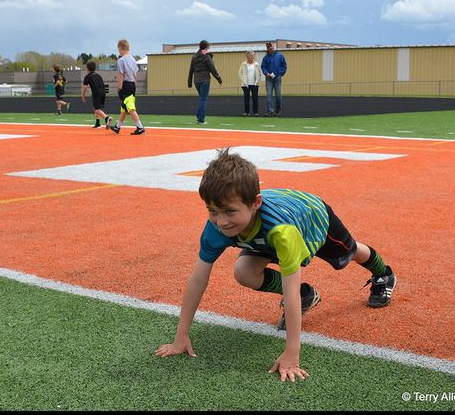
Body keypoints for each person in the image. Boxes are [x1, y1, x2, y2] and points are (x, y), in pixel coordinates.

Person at [155, 148, 397, 382]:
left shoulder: (283, 231)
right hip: (266, 231)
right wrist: (181, 335)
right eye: (212, 211)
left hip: (312, 218)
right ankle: (307, 294)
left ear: (255, 203)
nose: (221, 221)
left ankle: (383, 274)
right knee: (244, 272)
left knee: (351, 252)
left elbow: (287, 287)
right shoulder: (217, 228)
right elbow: (198, 279)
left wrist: (292, 355)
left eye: (229, 211)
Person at [109, 39, 146, 135]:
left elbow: (121, 75)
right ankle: (117, 127)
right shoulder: (133, 59)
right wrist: (134, 83)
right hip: (132, 84)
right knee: (124, 108)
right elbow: (135, 73)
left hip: (125, 85)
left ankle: (140, 127)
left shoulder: (121, 60)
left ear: (120, 48)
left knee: (130, 108)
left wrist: (119, 88)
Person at [187, 40, 222, 124]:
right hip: (205, 80)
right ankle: (201, 119)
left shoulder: (194, 56)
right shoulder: (207, 57)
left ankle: (199, 116)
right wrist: (219, 79)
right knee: (203, 99)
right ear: (206, 47)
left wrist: (189, 82)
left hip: (196, 81)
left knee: (201, 98)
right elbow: (212, 69)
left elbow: (191, 70)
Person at [82, 61, 113, 129]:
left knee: (96, 110)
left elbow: (85, 87)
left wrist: (83, 96)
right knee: (97, 108)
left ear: (87, 68)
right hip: (103, 92)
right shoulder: (98, 75)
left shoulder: (87, 76)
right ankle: (98, 123)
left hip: (96, 93)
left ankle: (107, 118)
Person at [261, 42, 287, 117]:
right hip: (269, 78)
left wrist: (281, 73)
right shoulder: (266, 58)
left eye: (271, 47)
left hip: (277, 78)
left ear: (274, 47)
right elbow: (263, 67)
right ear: (267, 49)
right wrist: (266, 73)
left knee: (278, 95)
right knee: (269, 95)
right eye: (268, 47)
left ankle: (278, 110)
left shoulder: (280, 56)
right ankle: (270, 111)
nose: (270, 48)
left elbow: (284, 65)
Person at [238, 51, 262, 116]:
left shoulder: (256, 64)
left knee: (255, 98)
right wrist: (243, 81)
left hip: (254, 84)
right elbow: (240, 73)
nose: (253, 57)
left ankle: (255, 112)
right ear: (247, 56)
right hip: (246, 85)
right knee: (246, 98)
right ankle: (246, 112)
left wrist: (257, 80)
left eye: (253, 55)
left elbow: (259, 73)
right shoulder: (243, 64)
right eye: (251, 55)